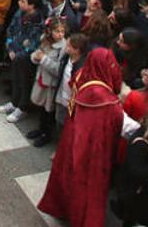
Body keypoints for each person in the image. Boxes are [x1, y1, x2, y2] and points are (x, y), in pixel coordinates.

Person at [38, 46, 124, 227]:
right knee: (88, 184)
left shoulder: (81, 75)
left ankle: (62, 208)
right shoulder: (107, 100)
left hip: (72, 134)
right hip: (94, 147)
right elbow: (116, 123)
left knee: (67, 173)